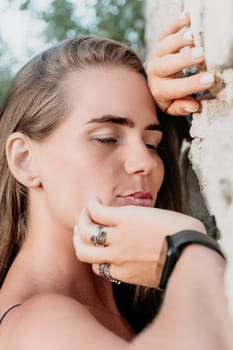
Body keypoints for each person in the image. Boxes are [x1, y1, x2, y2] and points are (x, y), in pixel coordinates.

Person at [0, 12, 231, 349]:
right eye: (106, 138)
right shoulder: (39, 325)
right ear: (24, 159)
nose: (146, 163)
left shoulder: (127, 312)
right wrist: (188, 254)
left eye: (153, 144)